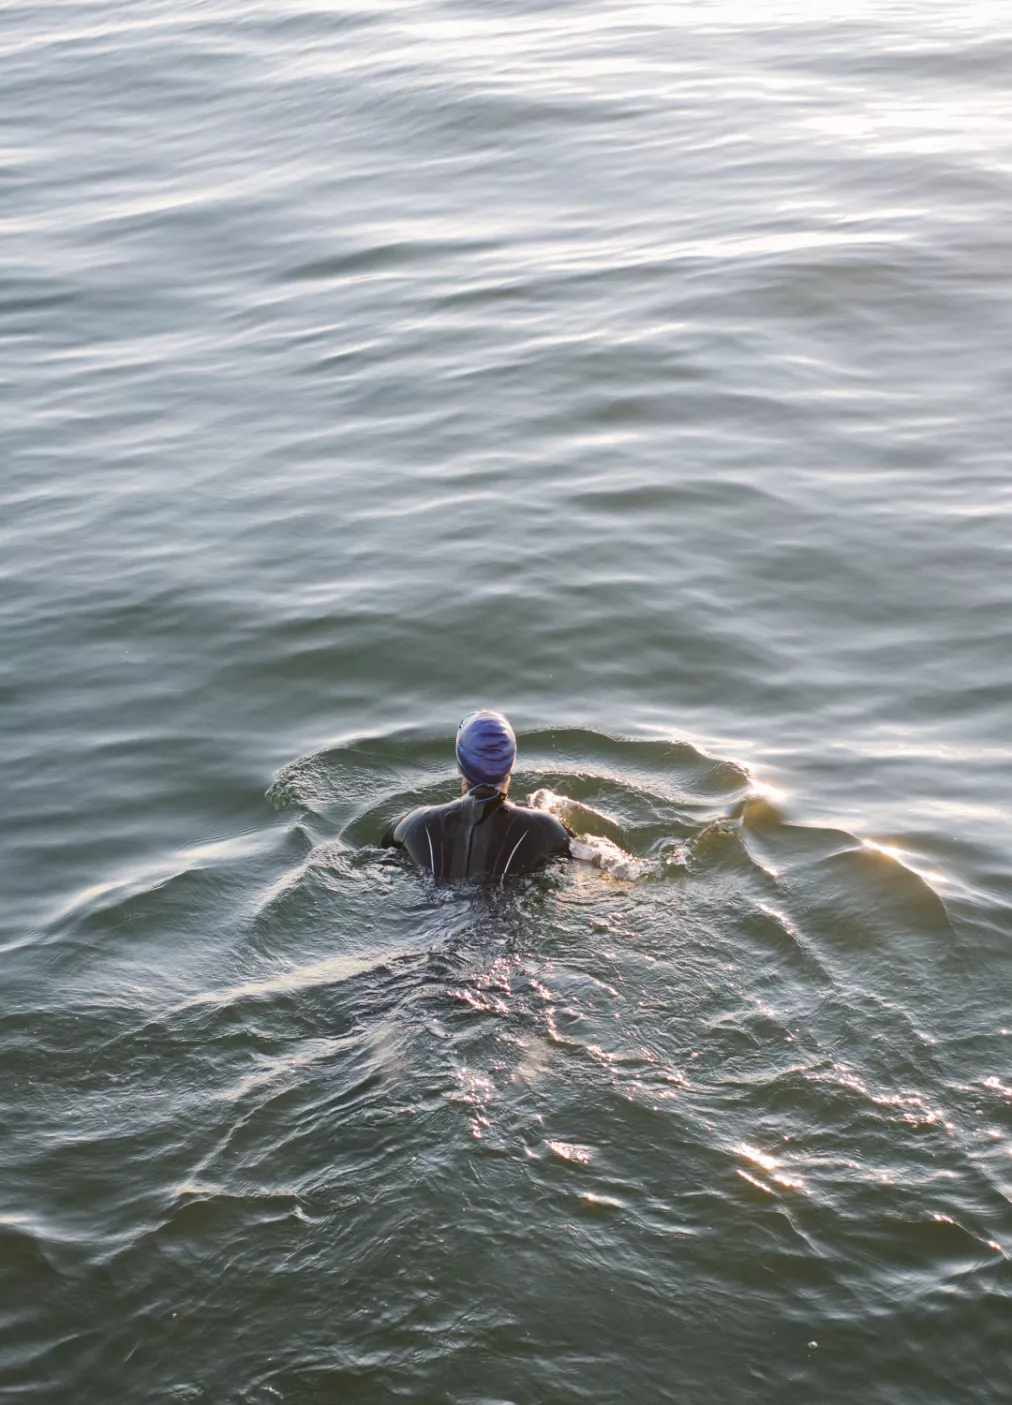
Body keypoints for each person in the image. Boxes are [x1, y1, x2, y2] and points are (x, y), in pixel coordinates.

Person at [384, 710, 572, 881]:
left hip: (427, 914)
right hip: (501, 915)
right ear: (510, 765)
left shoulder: (413, 824)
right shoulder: (546, 830)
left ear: (460, 767)